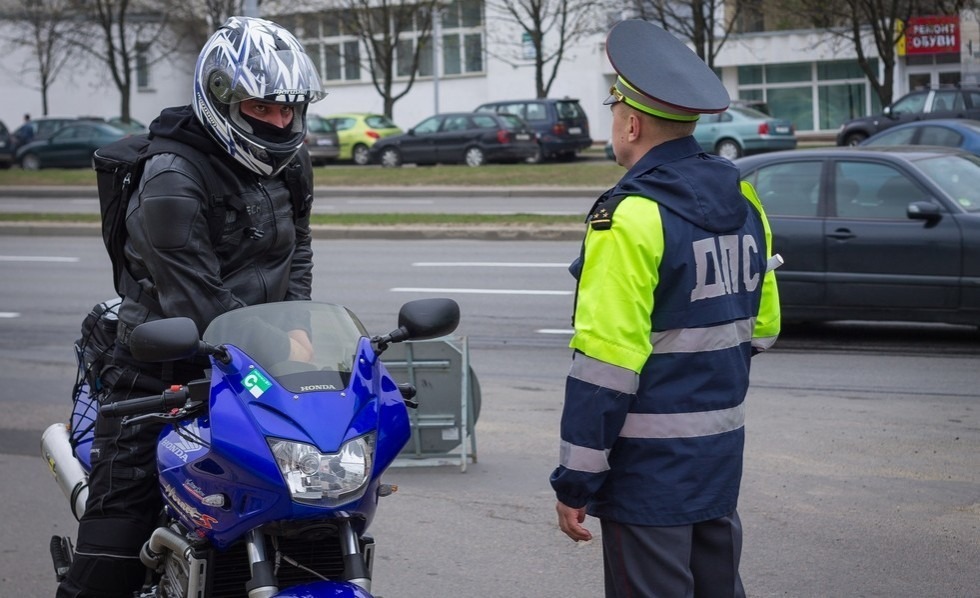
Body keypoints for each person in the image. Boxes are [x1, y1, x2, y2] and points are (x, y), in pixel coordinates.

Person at [57, 16, 325, 597]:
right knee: (111, 554)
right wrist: (279, 345)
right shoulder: (171, 178)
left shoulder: (290, 163)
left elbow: (297, 249)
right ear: (222, 100)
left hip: (257, 358)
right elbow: (196, 298)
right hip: (161, 363)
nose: (280, 122)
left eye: (289, 109)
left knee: (313, 508)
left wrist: (298, 326)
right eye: (263, 109)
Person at [549, 19, 781, 598]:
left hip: (647, 477)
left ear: (630, 122)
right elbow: (765, 325)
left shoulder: (628, 216)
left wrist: (575, 480)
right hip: (718, 458)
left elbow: (605, 364)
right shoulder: (743, 196)